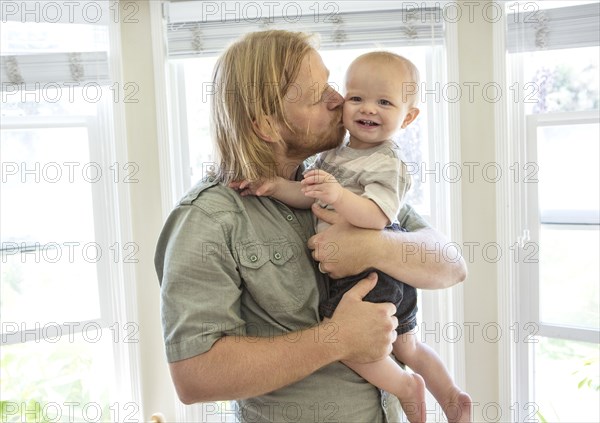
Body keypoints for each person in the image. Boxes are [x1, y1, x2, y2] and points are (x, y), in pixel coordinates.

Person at [155, 30, 467, 423]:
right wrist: (335, 339)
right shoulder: (206, 220)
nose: (339, 100)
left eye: (332, 85)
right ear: (267, 126)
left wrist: (373, 247)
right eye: (320, 94)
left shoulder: (340, 177)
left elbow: (452, 265)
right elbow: (195, 377)